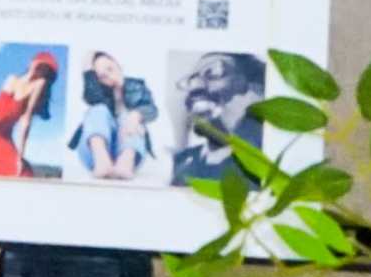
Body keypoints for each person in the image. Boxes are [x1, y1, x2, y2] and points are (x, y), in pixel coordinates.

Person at [174, 52, 269, 187]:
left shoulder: (261, 162)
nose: (195, 87)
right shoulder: (182, 162)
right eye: (192, 80)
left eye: (213, 73)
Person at [0, 49, 61, 176]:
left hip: (3, 135)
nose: (41, 71)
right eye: (40, 66)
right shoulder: (12, 79)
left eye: (46, 70)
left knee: (22, 172)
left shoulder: (38, 85)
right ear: (32, 64)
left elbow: (26, 121)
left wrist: (20, 156)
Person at [71, 52, 160, 179]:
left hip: (132, 153)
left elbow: (152, 110)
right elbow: (91, 98)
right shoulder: (98, 93)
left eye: (110, 68)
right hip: (94, 156)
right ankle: (102, 162)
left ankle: (124, 164)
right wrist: (87, 71)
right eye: (102, 76)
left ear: (118, 65)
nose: (109, 75)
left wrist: (136, 115)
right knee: (97, 109)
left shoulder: (137, 86)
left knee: (129, 116)